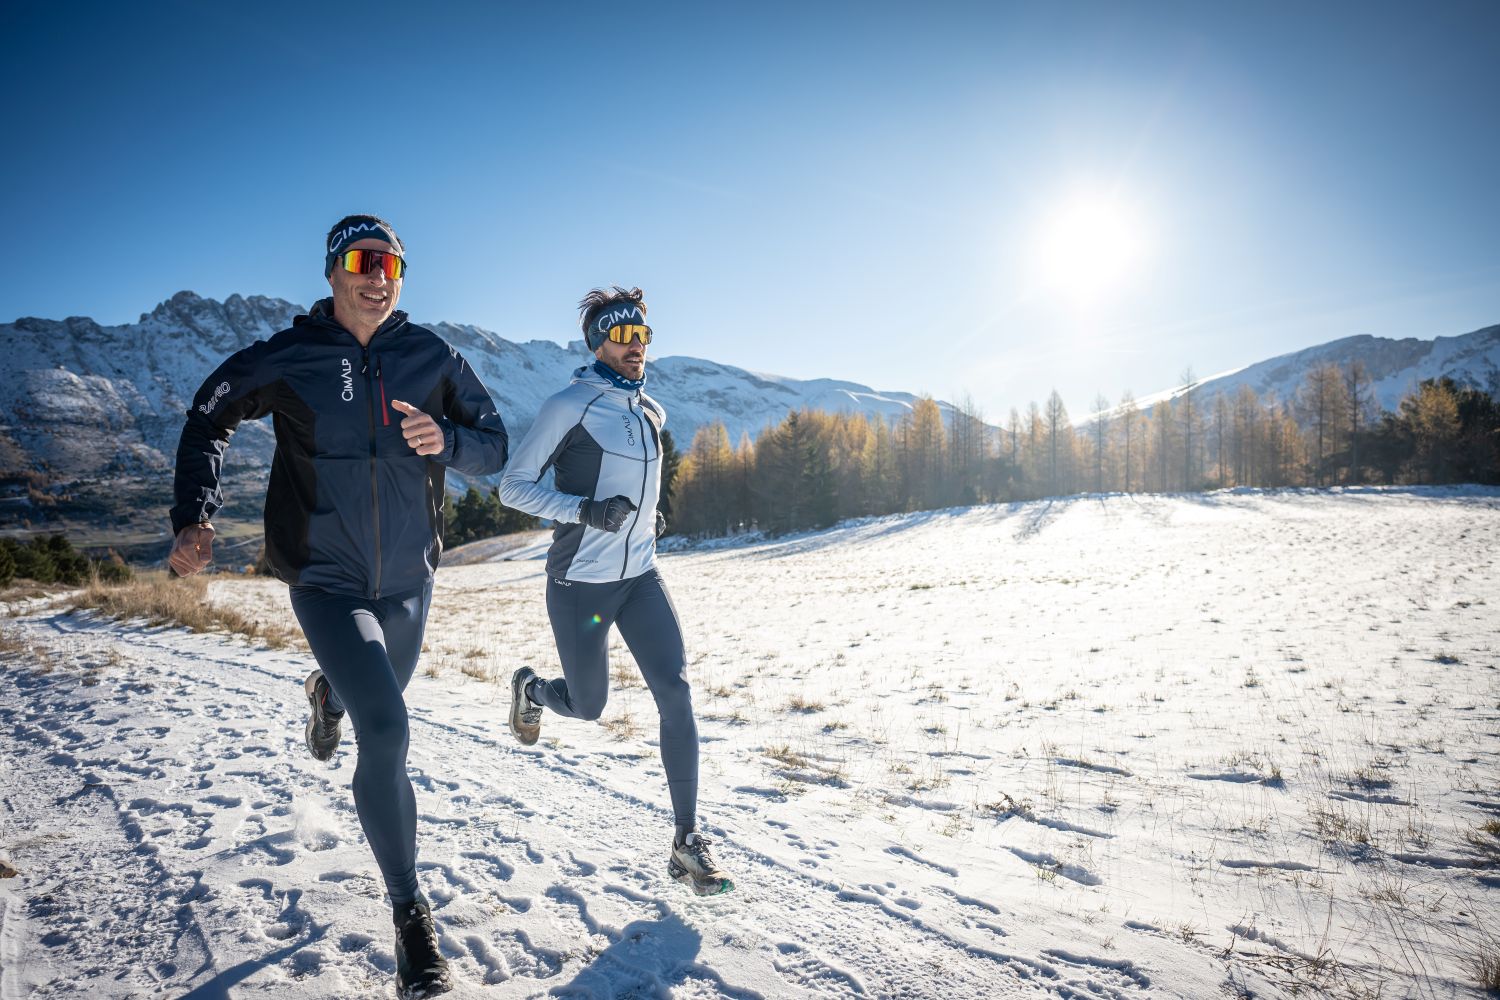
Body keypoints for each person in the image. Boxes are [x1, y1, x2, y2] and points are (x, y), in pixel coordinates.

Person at [168, 214, 508, 998]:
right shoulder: (292, 356)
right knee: (387, 727)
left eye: (391, 263)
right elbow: (207, 415)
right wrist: (194, 513)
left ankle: (328, 692)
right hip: (325, 581)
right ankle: (410, 915)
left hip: (409, 583)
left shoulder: (431, 356)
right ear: (331, 272)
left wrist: (447, 443)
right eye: (361, 261)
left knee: (370, 700)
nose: (377, 275)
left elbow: (495, 444)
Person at [498, 286, 734, 897]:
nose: (636, 347)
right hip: (582, 585)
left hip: (642, 579)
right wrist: (587, 511)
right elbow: (512, 488)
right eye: (623, 336)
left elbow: (641, 488)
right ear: (597, 342)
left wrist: (646, 520)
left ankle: (686, 841)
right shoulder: (567, 405)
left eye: (643, 336)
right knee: (589, 705)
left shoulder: (648, 409)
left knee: (675, 693)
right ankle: (532, 689)